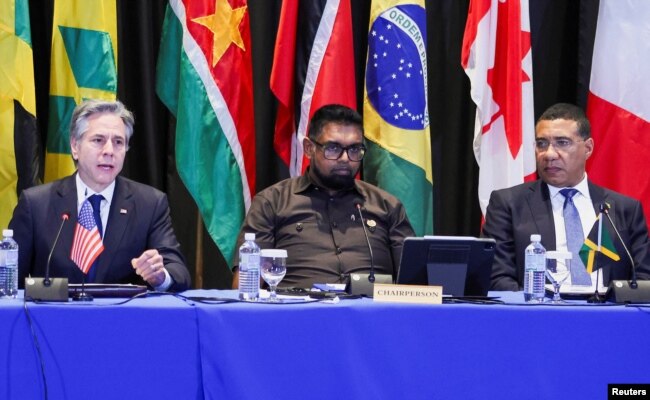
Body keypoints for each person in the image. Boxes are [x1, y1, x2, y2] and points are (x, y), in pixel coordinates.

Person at [10, 99, 191, 291]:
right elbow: (7, 278)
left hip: (121, 319)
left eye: (118, 142)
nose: (109, 151)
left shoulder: (150, 204)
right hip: (52, 319)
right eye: (98, 140)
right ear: (75, 146)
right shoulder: (36, 204)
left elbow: (179, 272)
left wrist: (160, 276)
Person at [232, 104, 415, 289]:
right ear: (309, 148)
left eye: (354, 150)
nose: (345, 158)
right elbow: (246, 286)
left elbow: (415, 283)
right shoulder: (272, 202)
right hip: (297, 313)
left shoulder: (386, 205)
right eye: (333, 148)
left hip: (372, 314)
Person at [484, 103, 650, 291]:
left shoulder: (624, 209)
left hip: (608, 316)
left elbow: (643, 281)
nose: (549, 154)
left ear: (588, 148)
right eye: (542, 144)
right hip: (539, 316)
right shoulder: (509, 204)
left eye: (562, 143)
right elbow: (497, 278)